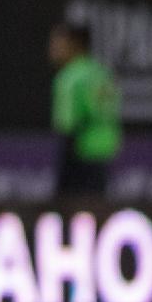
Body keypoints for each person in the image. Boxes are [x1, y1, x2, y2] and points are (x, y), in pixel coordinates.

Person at [49, 20, 120, 199]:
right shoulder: (102, 73)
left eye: (59, 44)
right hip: (105, 153)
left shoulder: (70, 78)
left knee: (75, 213)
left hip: (79, 156)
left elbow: (69, 126)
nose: (53, 50)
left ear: (75, 45)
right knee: (98, 209)